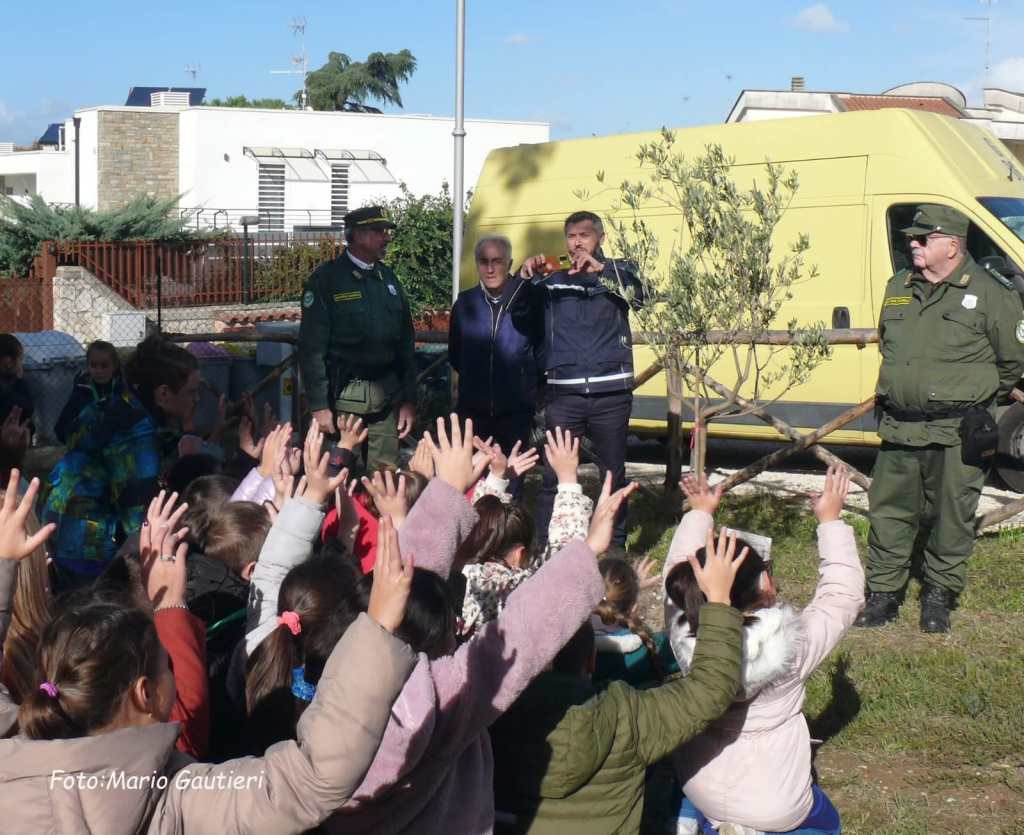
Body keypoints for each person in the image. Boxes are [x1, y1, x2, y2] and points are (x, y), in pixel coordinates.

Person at [0, 469, 419, 835]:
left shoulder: (10, 758)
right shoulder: (172, 800)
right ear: (147, 694)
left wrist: (4, 564)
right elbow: (309, 780)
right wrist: (379, 628)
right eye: (168, 665)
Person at [489, 531, 745, 835]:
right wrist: (718, 600)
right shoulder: (629, 715)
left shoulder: (491, 713)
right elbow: (710, 688)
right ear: (591, 661)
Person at [664, 468, 862, 835]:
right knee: (826, 821)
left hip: (699, 781)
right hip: (777, 804)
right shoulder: (791, 645)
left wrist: (698, 513)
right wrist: (831, 522)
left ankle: (701, 821)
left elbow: (673, 582)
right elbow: (842, 595)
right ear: (765, 582)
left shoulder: (684, 634)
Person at [858, 205, 1024, 633]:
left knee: (953, 515)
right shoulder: (898, 287)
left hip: (957, 431)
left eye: (922, 238)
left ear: (952, 245)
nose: (912, 244)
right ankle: (883, 595)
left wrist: (970, 397)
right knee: (889, 513)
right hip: (899, 425)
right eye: (912, 238)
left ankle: (938, 595)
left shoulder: (992, 293)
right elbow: (890, 346)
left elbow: (1012, 361)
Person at [520, 211, 645, 549]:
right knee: (552, 474)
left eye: (584, 235)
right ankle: (545, 544)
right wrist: (526, 275)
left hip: (611, 391)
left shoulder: (620, 270)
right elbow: (522, 311)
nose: (577, 242)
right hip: (564, 394)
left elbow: (640, 296)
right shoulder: (553, 278)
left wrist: (601, 269)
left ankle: (615, 546)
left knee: (612, 473)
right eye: (572, 236)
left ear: (600, 239)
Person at [42, 335, 201, 588]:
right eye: (192, 391)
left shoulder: (120, 403)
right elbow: (138, 522)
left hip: (58, 520)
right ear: (163, 394)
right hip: (86, 542)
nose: (197, 399)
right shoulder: (137, 435)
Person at [299, 205, 417, 471]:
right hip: (341, 402)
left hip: (386, 402)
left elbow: (405, 345)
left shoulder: (388, 278)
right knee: (340, 478)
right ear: (358, 236)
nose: (386, 238)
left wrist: (409, 400)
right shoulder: (326, 280)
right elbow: (311, 348)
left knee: (386, 477)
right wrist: (318, 405)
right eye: (379, 232)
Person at [449, 235, 543, 459]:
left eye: (497, 261)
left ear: (510, 264)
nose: (490, 269)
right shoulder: (464, 304)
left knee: (512, 484)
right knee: (472, 485)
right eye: (483, 261)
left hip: (515, 414)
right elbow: (455, 355)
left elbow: (542, 350)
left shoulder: (530, 300)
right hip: (473, 413)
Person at [55, 340, 122, 444]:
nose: (99, 371)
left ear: (114, 366)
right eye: (94, 366)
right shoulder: (81, 391)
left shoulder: (121, 388)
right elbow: (61, 428)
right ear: (87, 366)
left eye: (104, 366)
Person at [0, 334, 34, 434]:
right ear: (8, 362)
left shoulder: (20, 384)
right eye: (20, 360)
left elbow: (29, 408)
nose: (21, 364)